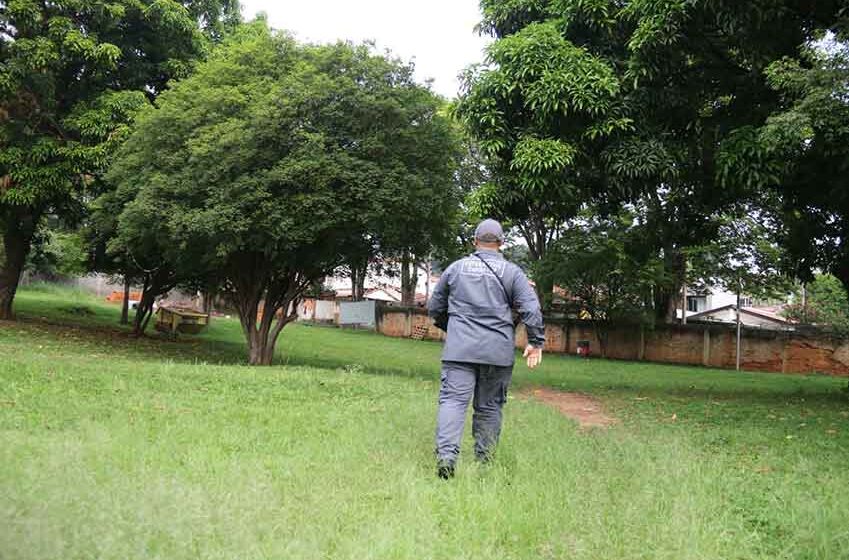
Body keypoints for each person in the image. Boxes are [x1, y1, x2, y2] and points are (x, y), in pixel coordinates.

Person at [428, 218, 545, 479]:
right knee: (490, 406)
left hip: (459, 351)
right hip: (498, 352)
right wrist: (535, 342)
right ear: (501, 243)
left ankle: (446, 458)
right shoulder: (513, 272)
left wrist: (454, 329)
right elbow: (531, 310)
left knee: (453, 402)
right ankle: (485, 462)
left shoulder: (455, 269)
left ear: (474, 242)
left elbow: (434, 308)